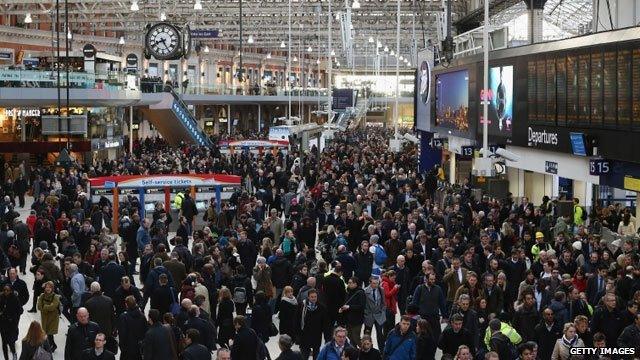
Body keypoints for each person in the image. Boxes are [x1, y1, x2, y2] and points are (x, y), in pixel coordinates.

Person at [84, 282, 116, 353]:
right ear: (100, 288)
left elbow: (87, 319)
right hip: (107, 330)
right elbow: (112, 316)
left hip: (94, 332)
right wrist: (113, 329)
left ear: (91, 290)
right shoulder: (109, 300)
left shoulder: (88, 303)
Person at [296, 289, 327, 360]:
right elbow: (297, 320)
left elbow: (325, 323)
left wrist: (326, 335)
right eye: (312, 297)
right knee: (304, 354)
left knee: (316, 354)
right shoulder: (301, 306)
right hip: (304, 334)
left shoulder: (321, 307)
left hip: (316, 334)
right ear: (308, 297)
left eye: (315, 297)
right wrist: (297, 334)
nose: (314, 298)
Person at [116, 296, 148, 360]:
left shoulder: (123, 317)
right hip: (138, 348)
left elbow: (122, 334)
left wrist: (122, 346)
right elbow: (145, 332)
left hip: (127, 349)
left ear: (126, 305)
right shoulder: (142, 316)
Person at [340, 277, 365, 346]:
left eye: (350, 283)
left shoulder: (360, 293)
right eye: (348, 283)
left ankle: (366, 349)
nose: (348, 284)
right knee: (350, 337)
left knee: (356, 338)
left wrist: (349, 307)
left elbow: (361, 306)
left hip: (357, 320)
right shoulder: (348, 292)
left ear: (355, 284)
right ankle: (355, 352)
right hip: (348, 319)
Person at [364, 276, 386, 353]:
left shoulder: (381, 290)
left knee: (380, 334)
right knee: (367, 335)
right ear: (370, 283)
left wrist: (382, 311)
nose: (376, 285)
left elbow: (384, 302)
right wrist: (366, 314)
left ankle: (382, 351)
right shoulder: (365, 291)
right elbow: (363, 304)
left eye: (377, 283)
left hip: (378, 315)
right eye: (374, 283)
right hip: (369, 316)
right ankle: (368, 350)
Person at [36, 281, 60, 352]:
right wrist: (48, 306)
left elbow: (53, 307)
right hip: (44, 318)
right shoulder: (42, 295)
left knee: (50, 333)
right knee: (45, 333)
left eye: (50, 287)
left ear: (52, 288)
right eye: (47, 287)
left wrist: (45, 306)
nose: (48, 289)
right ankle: (52, 345)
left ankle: (51, 346)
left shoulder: (55, 297)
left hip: (53, 319)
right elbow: (39, 307)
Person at [0, 284, 22, 360]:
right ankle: (6, 358)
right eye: (4, 290)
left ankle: (14, 353)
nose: (6, 291)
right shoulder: (1, 297)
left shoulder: (15, 299)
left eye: (8, 290)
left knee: (10, 342)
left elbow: (20, 311)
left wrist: (14, 320)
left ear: (11, 291)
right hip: (2, 323)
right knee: (3, 343)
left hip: (11, 324)